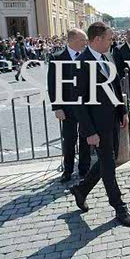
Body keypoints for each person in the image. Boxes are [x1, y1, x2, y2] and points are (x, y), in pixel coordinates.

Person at [69, 22, 130, 227]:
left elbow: (115, 86)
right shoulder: (81, 63)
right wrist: (89, 131)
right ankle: (119, 206)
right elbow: (77, 102)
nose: (111, 42)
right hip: (96, 125)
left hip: (113, 120)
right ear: (97, 39)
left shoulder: (107, 57)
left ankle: (81, 190)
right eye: (109, 38)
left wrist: (122, 111)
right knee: (108, 165)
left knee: (110, 159)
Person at [47, 28, 90, 182]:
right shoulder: (57, 58)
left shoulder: (87, 56)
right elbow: (53, 84)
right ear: (72, 40)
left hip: (86, 105)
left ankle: (84, 169)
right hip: (67, 107)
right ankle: (68, 169)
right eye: (82, 40)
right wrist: (57, 107)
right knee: (69, 139)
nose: (85, 43)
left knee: (85, 138)